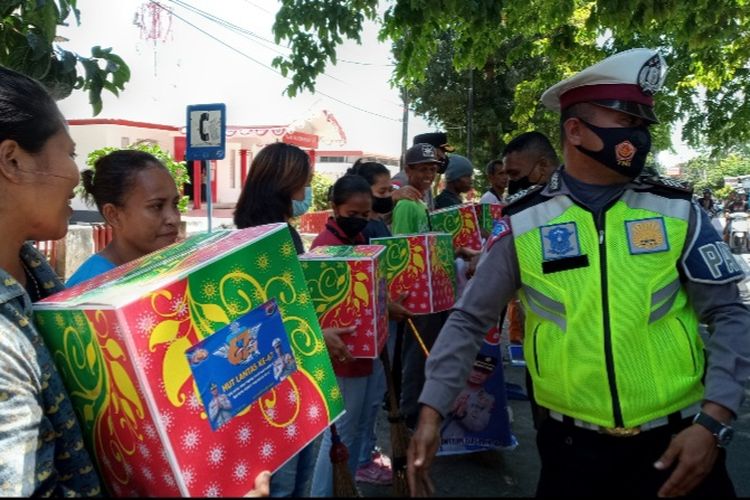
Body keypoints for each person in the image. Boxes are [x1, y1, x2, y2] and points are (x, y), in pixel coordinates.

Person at [408, 48, 750, 498]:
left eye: (645, 125)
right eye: (628, 123)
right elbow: (470, 319)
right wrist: (432, 410)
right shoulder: (525, 220)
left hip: (682, 441)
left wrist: (715, 419)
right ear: (575, 130)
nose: (641, 137)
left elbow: (729, 314)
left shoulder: (677, 210)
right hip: (571, 453)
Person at [234, 142, 355, 497]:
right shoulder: (276, 236)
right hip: (284, 378)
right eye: (302, 183)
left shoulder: (243, 229)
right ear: (282, 185)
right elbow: (280, 311)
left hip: (266, 376)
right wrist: (318, 335)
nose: (305, 193)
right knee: (286, 482)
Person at [66, 150, 181, 286]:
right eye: (156, 206)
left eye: (175, 204)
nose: (173, 219)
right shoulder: (90, 289)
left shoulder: (167, 268)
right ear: (113, 215)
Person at [392, 132, 455, 210]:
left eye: (432, 169)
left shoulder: (424, 182)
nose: (444, 157)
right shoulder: (402, 180)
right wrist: (392, 197)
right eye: (440, 153)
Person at [502, 131, 559, 196]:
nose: (509, 182)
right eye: (507, 175)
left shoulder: (569, 196)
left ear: (543, 165)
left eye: (514, 173)